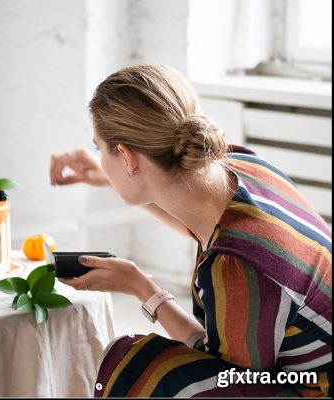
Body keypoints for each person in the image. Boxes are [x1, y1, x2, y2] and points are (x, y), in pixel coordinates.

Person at [49, 64, 332, 397]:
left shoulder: (236, 264)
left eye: (100, 148)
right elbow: (194, 222)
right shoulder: (241, 165)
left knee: (141, 365)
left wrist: (144, 289)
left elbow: (226, 377)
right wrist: (110, 177)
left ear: (127, 158)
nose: (99, 158)